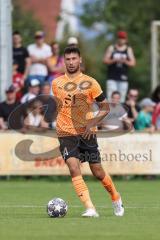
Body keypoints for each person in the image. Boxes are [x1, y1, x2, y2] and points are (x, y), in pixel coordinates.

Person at [52, 46, 124, 217]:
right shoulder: (56, 83)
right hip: (65, 132)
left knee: (97, 171)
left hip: (87, 132)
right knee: (73, 166)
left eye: (73, 59)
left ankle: (116, 197)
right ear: (64, 61)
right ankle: (90, 208)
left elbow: (105, 108)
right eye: (67, 59)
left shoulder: (91, 83)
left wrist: (91, 123)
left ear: (80, 59)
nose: (71, 62)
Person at [103, 31, 136, 102]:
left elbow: (133, 63)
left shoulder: (128, 49)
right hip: (112, 78)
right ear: (117, 39)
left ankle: (120, 113)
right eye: (120, 38)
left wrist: (124, 61)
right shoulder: (112, 48)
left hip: (123, 78)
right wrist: (114, 60)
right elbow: (105, 60)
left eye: (123, 38)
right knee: (111, 98)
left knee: (121, 99)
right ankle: (111, 112)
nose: (121, 40)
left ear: (126, 39)